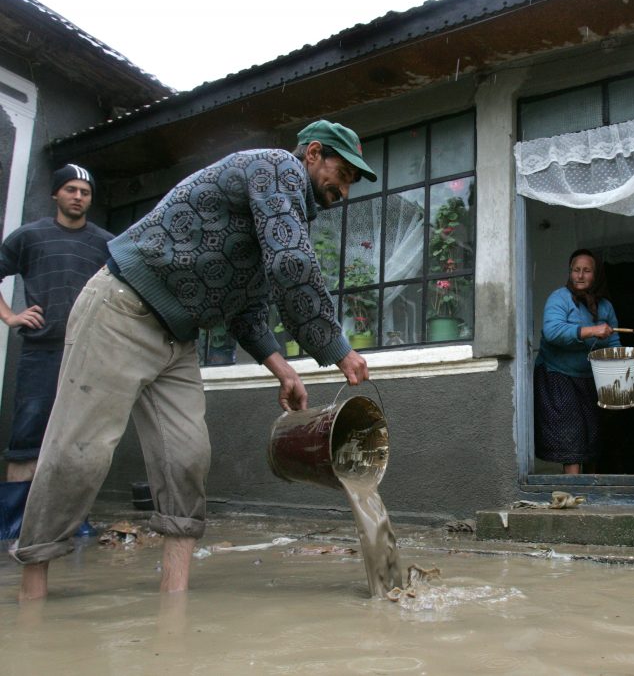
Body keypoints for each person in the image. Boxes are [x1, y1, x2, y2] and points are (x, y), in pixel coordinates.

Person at [11, 120, 376, 602]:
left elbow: (247, 309)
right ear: (312, 154)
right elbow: (292, 266)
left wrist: (284, 370)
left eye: (350, 181)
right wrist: (337, 348)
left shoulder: (282, 214)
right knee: (78, 452)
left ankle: (174, 598)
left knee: (186, 457)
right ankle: (32, 593)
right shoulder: (276, 167)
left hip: (177, 339)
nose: (344, 189)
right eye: (342, 173)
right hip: (121, 309)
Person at [0, 165, 112, 536]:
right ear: (56, 194)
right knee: (26, 440)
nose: (79, 196)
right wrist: (11, 316)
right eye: (71, 189)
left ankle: (71, 523)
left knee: (79, 441)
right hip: (41, 353)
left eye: (85, 191)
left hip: (88, 356)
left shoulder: (104, 244)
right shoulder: (29, 237)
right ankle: (14, 526)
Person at [534, 249, 621, 475]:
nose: (580, 276)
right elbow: (552, 332)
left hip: (589, 377)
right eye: (575, 270)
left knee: (591, 435)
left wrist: (618, 376)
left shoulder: (605, 307)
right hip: (557, 374)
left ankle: (588, 492)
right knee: (570, 435)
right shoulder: (559, 298)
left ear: (597, 275)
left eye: (586, 271)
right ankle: (572, 494)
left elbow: (613, 343)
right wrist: (592, 330)